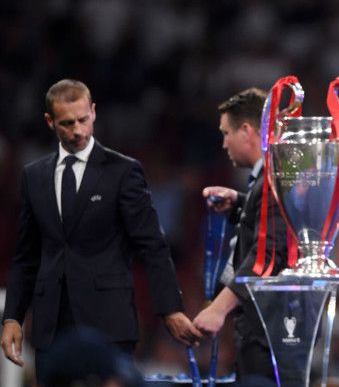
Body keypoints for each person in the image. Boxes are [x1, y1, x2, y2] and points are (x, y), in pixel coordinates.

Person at [0, 79, 201, 381]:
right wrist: (12, 317)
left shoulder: (123, 171)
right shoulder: (34, 176)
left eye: (83, 120)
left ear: (93, 112)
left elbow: (152, 245)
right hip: (51, 326)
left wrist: (170, 309)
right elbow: (26, 256)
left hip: (108, 322)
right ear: (50, 121)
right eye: (67, 123)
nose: (78, 130)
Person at [193, 88, 287, 383]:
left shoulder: (274, 177)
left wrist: (218, 309)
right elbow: (271, 222)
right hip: (263, 328)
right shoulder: (267, 178)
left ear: (246, 131)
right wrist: (239, 203)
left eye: (226, 133)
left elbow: (268, 253)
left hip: (269, 331)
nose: (223, 143)